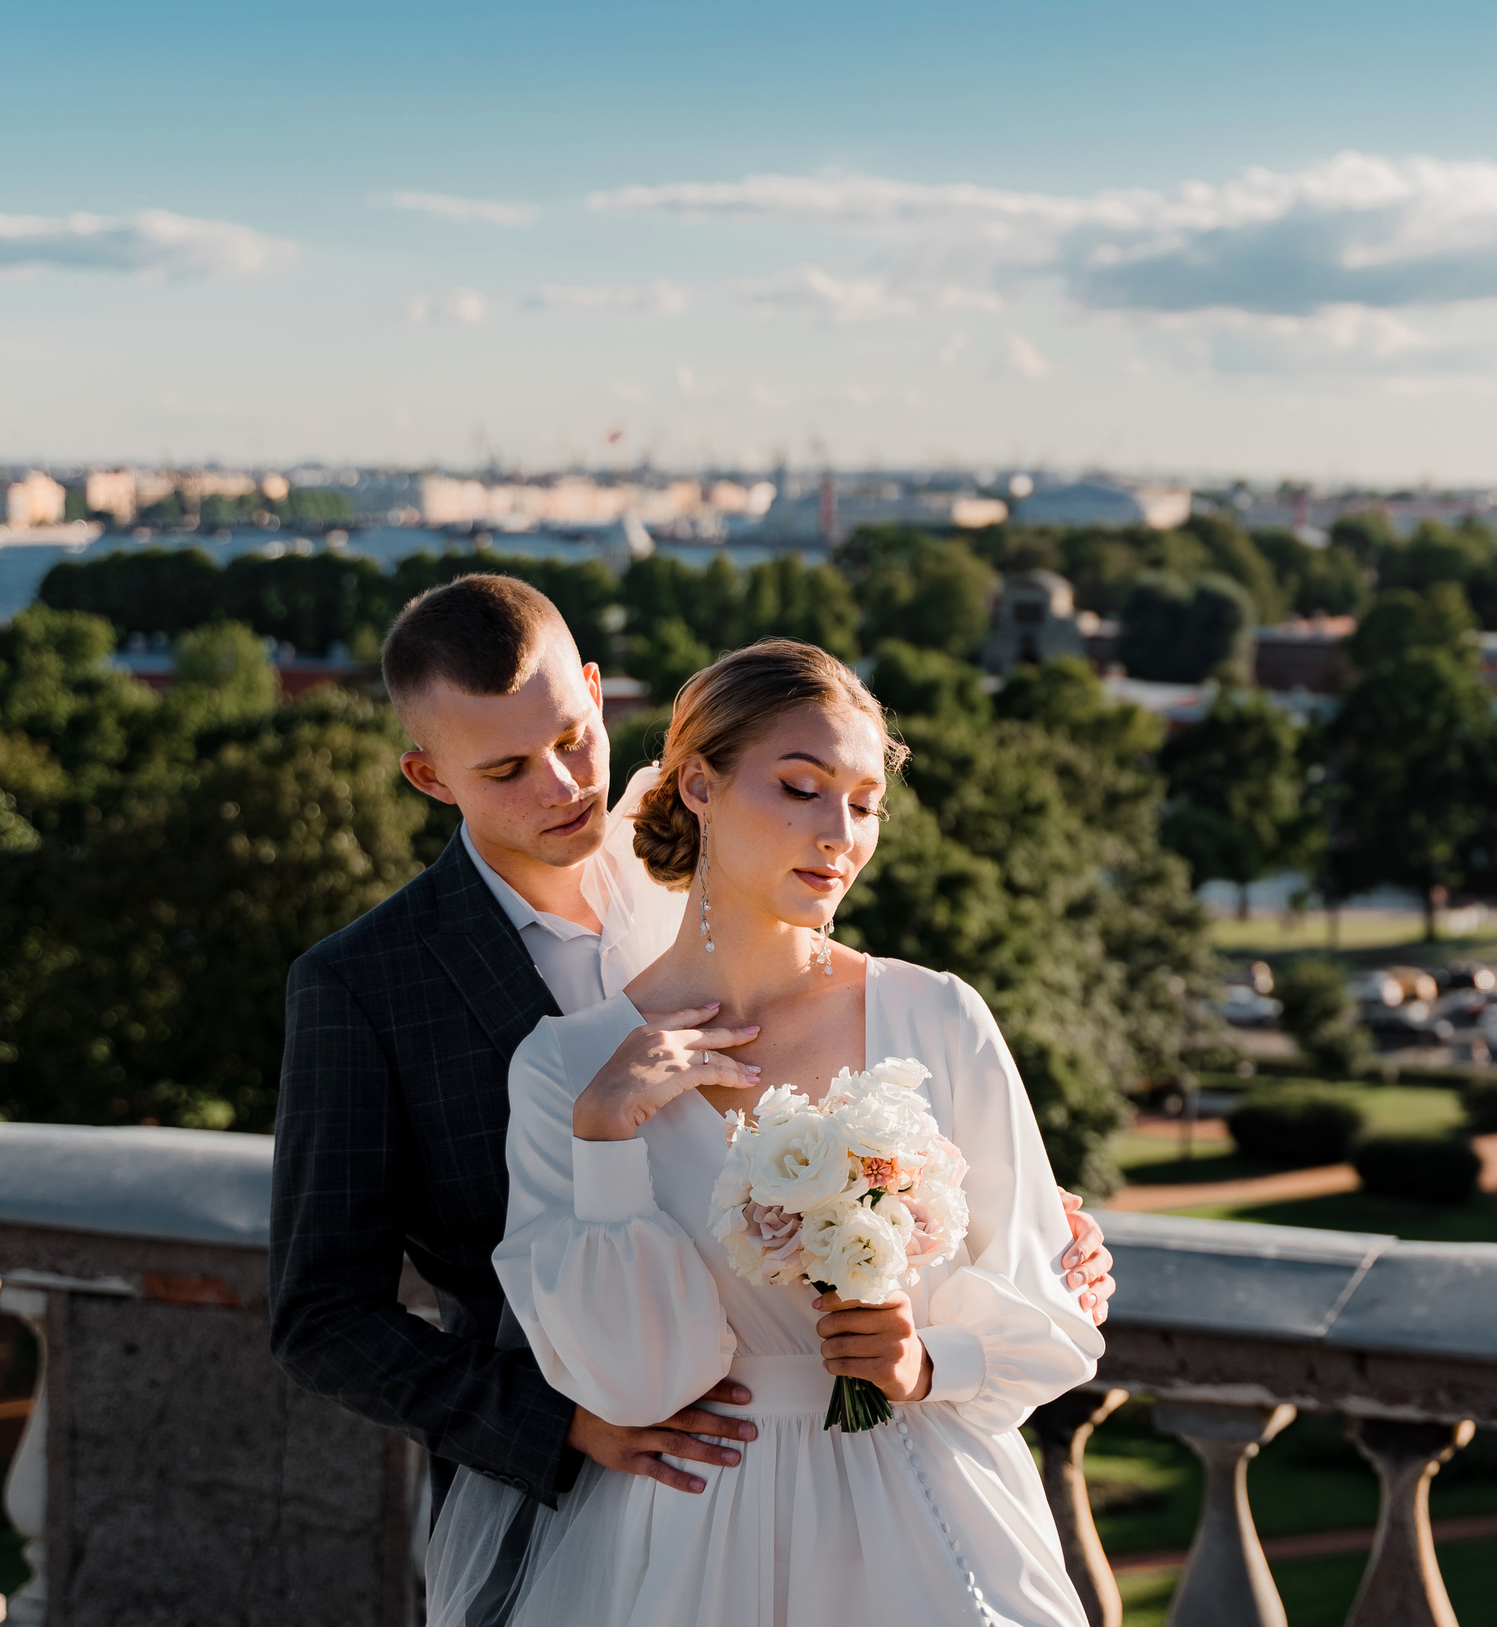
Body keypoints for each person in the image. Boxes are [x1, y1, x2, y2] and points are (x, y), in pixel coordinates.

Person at [270, 577, 1113, 1538]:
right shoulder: (365, 984)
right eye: (506, 770)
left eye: (573, 738)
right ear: (430, 777)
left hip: (867, 1460)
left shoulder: (732, 839)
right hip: (590, 1485)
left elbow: (869, 1047)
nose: (562, 785)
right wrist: (563, 1423)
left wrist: (995, 1220)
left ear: (594, 690)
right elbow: (321, 1315)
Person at [427, 638, 1102, 1627]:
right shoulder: (567, 1074)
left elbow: (1047, 1303)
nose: (841, 833)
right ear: (696, 783)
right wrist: (606, 1141)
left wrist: (923, 1362)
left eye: (865, 803)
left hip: (928, 1522)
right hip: (696, 1536)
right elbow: (634, 1382)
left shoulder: (939, 1018)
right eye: (801, 787)